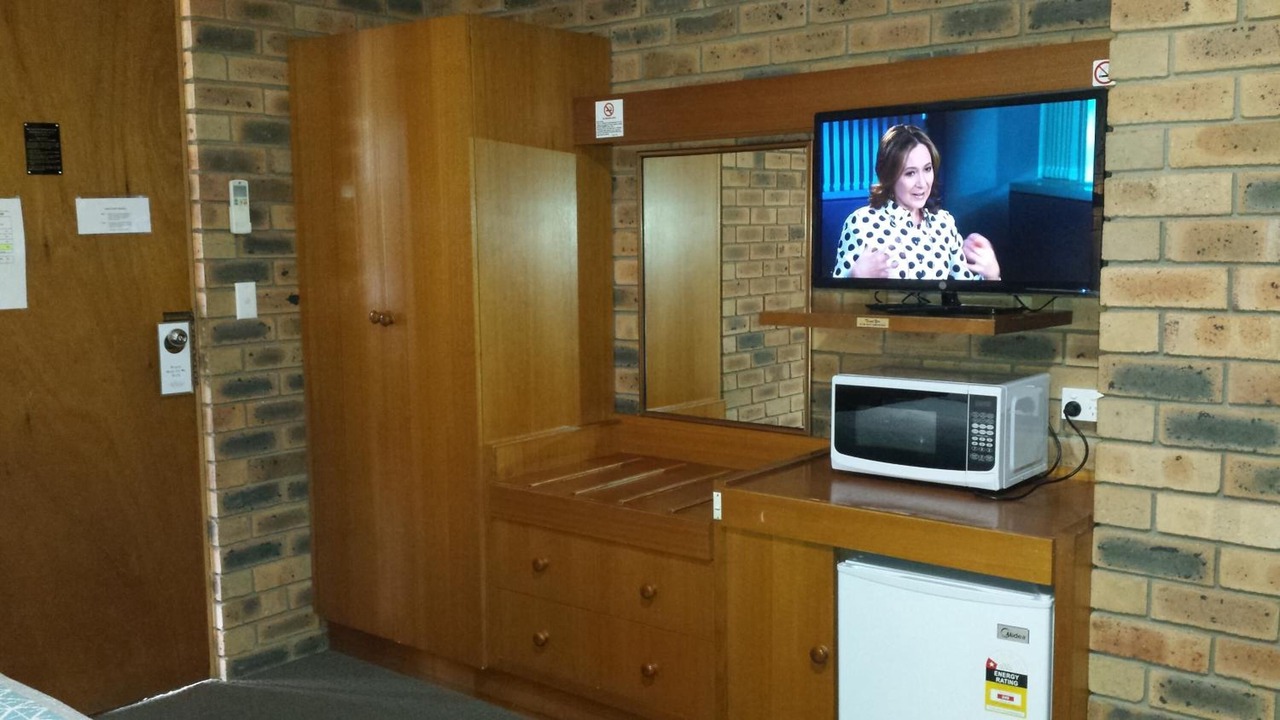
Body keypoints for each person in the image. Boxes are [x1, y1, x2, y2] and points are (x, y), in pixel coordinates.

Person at [832, 124, 1000, 281]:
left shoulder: (944, 223)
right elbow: (833, 299)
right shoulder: (862, 223)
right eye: (910, 173)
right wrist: (856, 275)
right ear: (889, 176)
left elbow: (968, 294)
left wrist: (992, 275)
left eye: (927, 169)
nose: (922, 183)